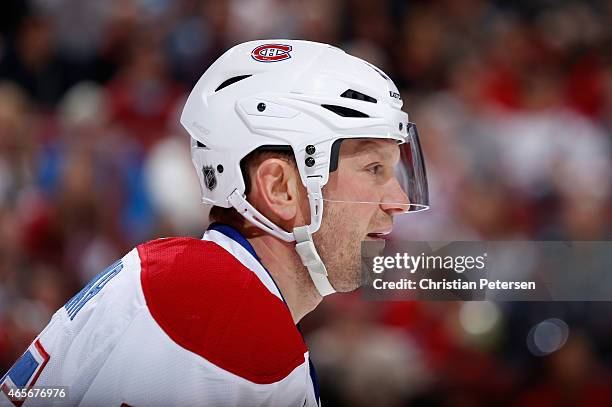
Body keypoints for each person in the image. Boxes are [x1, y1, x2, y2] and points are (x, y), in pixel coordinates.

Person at [1, 40, 428, 407]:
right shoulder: (225, 317)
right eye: (374, 169)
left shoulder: (193, 282)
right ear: (280, 187)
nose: (398, 201)